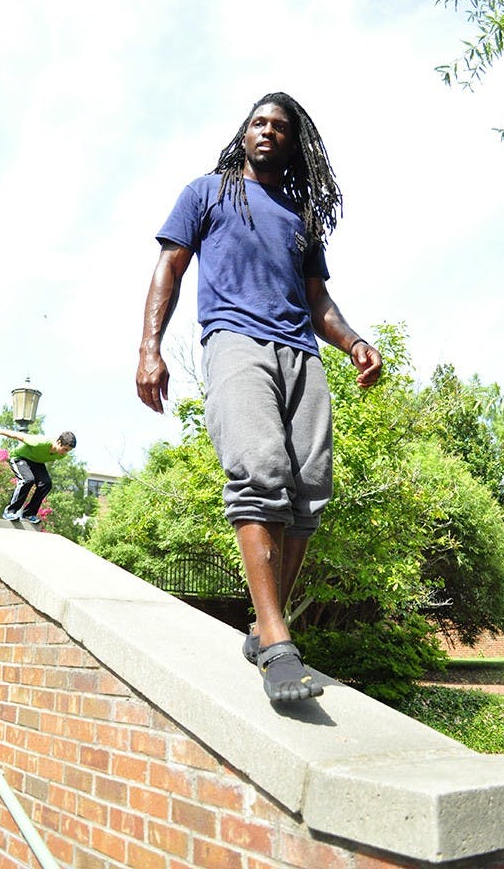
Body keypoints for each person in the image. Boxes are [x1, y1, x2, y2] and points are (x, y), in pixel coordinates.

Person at [136, 91, 382, 703]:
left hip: (301, 351)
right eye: (258, 123)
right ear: (243, 134)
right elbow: (169, 268)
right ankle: (275, 638)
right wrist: (149, 347)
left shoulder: (300, 217)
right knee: (262, 471)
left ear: (294, 141)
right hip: (236, 342)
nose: (267, 131)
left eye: (279, 125)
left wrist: (352, 341)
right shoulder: (209, 191)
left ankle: (266, 629)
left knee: (309, 491)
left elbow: (317, 298)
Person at [0, 427, 77, 523]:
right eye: (65, 449)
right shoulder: (40, 442)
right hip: (19, 458)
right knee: (27, 480)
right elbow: (17, 435)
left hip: (36, 462)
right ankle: (10, 511)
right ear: (58, 442)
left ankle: (29, 514)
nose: (65, 453)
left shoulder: (61, 454)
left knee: (46, 484)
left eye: (68, 451)